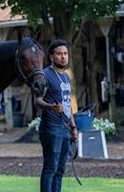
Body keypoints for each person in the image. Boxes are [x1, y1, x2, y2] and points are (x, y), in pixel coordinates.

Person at [35, 39, 78, 192]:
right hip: (51, 128)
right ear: (51, 56)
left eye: (65, 54)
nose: (63, 57)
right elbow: (37, 100)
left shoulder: (66, 77)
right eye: (59, 54)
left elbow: (68, 105)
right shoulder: (45, 75)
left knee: (60, 171)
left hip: (65, 128)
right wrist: (50, 107)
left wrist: (73, 126)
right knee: (50, 169)